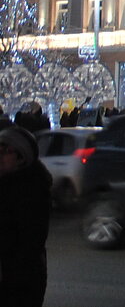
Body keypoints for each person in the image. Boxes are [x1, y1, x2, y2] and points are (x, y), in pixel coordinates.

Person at [0, 125, 52, 306]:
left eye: (6, 150)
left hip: (18, 282)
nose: (0, 155)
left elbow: (27, 241)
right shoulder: (8, 184)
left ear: (22, 157)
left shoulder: (29, 191)